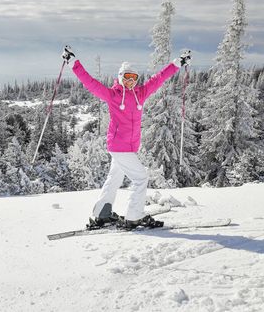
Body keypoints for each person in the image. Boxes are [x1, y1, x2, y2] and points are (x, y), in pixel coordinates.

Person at [61, 45, 191, 229]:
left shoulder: (141, 94)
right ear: (121, 77)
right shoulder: (113, 95)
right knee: (141, 178)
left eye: (134, 78)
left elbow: (159, 78)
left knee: (114, 178)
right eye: (127, 77)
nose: (131, 81)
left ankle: (102, 213)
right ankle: (133, 216)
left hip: (129, 148)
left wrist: (177, 63)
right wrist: (74, 63)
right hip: (118, 147)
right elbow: (90, 82)